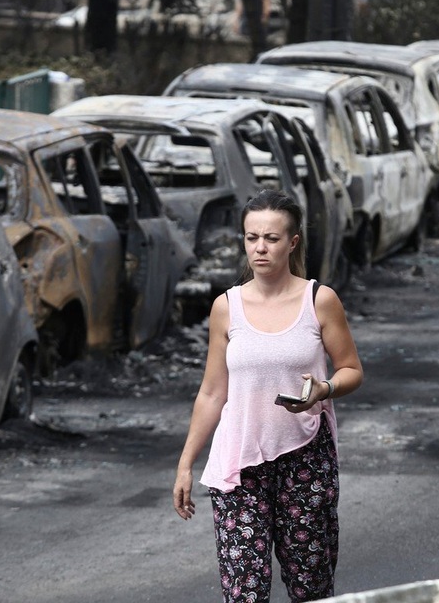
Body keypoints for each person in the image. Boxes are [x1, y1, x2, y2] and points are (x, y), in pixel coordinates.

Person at [173, 189, 363, 603]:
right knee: (245, 592)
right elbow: (211, 392)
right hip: (240, 464)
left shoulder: (319, 301)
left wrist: (324, 390)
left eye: (271, 238)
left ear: (292, 242)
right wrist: (186, 463)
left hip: (306, 460)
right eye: (251, 237)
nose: (260, 247)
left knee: (310, 587)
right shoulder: (226, 307)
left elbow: (351, 370)